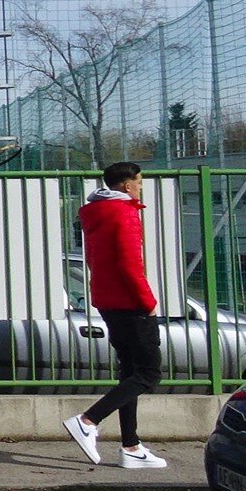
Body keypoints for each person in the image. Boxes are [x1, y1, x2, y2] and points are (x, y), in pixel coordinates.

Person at [67, 161, 167, 470]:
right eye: (139, 183)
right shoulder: (124, 213)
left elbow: (93, 261)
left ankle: (131, 447)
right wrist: (148, 302)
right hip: (131, 305)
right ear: (126, 185)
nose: (140, 188)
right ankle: (88, 420)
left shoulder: (96, 213)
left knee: (130, 373)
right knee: (149, 374)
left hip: (108, 303)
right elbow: (129, 265)